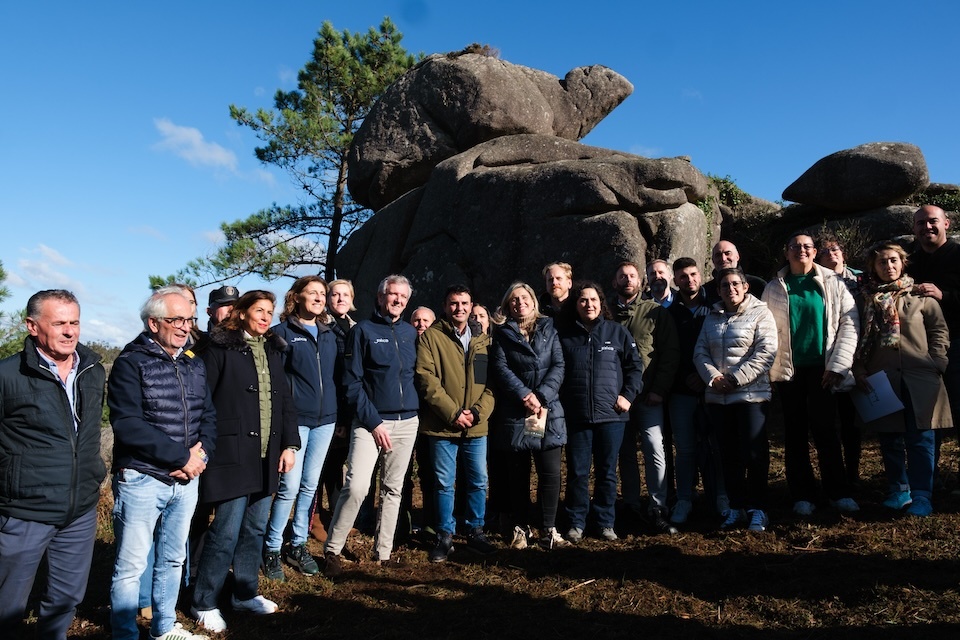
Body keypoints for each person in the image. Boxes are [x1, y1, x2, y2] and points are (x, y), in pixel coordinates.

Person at [108, 287, 217, 640]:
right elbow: (128, 425)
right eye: (176, 320)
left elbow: (209, 417)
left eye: (189, 319)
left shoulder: (193, 362)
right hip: (143, 478)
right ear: (154, 323)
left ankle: (164, 628)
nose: (186, 327)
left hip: (186, 480)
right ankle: (124, 633)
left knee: (173, 560)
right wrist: (180, 457)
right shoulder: (130, 363)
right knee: (131, 566)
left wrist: (199, 456)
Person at [0, 290, 106, 640]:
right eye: (58, 322)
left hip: (79, 510)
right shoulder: (8, 375)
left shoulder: (92, 370)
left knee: (65, 600)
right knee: (7, 605)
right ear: (32, 326)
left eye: (74, 322)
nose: (69, 331)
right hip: (24, 510)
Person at [191, 291, 299, 634]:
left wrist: (290, 444)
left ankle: (244, 593)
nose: (266, 317)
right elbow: (202, 400)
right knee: (225, 530)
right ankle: (204, 601)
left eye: (270, 311)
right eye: (259, 311)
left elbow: (284, 401)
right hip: (230, 454)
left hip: (267, 455)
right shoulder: (219, 348)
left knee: (254, 529)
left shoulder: (273, 350)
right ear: (242, 313)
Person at [322, 275, 420, 576]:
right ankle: (332, 550)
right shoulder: (362, 331)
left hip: (408, 421)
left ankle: (384, 552)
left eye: (403, 297)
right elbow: (352, 383)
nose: (398, 301)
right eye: (393, 295)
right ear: (380, 297)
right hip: (370, 422)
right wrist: (374, 421)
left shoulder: (410, 332)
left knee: (393, 488)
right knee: (357, 486)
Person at [762, 233, 860, 515]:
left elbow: (849, 323)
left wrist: (838, 365)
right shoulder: (774, 287)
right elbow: (767, 330)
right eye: (795, 246)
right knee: (794, 433)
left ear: (815, 252)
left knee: (826, 430)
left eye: (806, 246)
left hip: (824, 369)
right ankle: (802, 494)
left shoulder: (834, 282)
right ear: (786, 251)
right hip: (789, 369)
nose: (800, 250)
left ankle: (837, 491)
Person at [853, 243, 952, 516]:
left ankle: (922, 495)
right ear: (873, 267)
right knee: (890, 439)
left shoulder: (922, 297)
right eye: (882, 262)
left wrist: (936, 363)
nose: (889, 266)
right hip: (881, 379)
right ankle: (898, 490)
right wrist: (859, 369)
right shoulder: (863, 300)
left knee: (922, 438)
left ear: (903, 263)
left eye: (894, 261)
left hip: (920, 379)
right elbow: (856, 337)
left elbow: (939, 333)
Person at [262, 277, 338, 580]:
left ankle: (297, 544)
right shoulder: (281, 334)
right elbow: (276, 384)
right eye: (313, 293)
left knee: (309, 485)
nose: (319, 298)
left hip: (326, 421)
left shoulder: (330, 334)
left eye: (323, 293)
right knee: (289, 487)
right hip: (296, 423)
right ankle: (271, 547)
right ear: (298, 297)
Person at [557, 282, 643, 544]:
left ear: (601, 303)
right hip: (577, 415)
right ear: (576, 304)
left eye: (593, 300)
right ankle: (576, 523)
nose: (589, 305)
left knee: (607, 472)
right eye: (583, 300)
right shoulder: (565, 335)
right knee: (577, 472)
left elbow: (635, 368)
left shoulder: (617, 333)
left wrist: (628, 396)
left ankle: (605, 522)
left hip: (612, 415)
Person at [415, 285, 497, 561]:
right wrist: (453, 413)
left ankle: (475, 531)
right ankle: (444, 534)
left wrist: (477, 412)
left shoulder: (483, 340)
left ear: (471, 305)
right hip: (442, 425)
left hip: (477, 425)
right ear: (445, 305)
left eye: (464, 303)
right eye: (453, 303)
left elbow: (492, 383)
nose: (459, 308)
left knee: (478, 480)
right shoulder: (431, 338)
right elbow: (426, 379)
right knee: (443, 483)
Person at [694, 268, 778, 532]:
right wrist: (714, 378)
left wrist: (735, 379)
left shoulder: (761, 313)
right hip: (718, 397)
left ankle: (758, 509)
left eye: (735, 284)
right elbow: (700, 352)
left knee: (754, 454)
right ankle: (736, 506)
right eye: (724, 285)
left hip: (751, 396)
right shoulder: (712, 317)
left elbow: (766, 352)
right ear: (718, 290)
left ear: (745, 287)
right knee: (728, 455)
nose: (730, 289)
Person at [490, 282, 566, 549]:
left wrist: (541, 396)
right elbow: (500, 368)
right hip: (515, 411)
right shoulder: (502, 334)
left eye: (524, 297)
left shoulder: (549, 328)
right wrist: (525, 395)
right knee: (518, 475)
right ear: (507, 305)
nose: (519, 302)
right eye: (513, 299)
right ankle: (521, 528)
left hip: (547, 410)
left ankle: (548, 529)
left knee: (550, 473)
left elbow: (558, 364)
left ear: (533, 301)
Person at [612, 261, 679, 534]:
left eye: (632, 276)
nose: (628, 280)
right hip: (617, 399)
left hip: (649, 395)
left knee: (654, 447)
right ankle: (630, 505)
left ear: (640, 282)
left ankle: (657, 506)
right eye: (622, 276)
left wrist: (659, 389)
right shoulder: (607, 315)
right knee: (624, 452)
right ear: (614, 282)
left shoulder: (654, 312)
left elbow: (669, 353)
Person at [667, 257, 726, 524]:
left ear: (700, 276)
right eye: (682, 276)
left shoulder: (716, 308)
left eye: (693, 275)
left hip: (714, 388)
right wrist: (686, 377)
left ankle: (723, 497)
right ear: (675, 280)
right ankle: (684, 500)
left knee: (718, 445)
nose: (689, 280)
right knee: (686, 448)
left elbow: (723, 347)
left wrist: (705, 378)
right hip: (680, 391)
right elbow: (666, 355)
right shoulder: (668, 314)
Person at [907, 205, 960, 478]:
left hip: (958, 344)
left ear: (947, 224)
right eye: (920, 223)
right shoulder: (910, 262)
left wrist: (944, 295)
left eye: (933, 221)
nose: (927, 227)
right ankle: (929, 477)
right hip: (920, 348)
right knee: (927, 414)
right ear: (914, 228)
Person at [817, 233, 864, 485]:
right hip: (826, 357)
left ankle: (854, 473)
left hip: (858, 355)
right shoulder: (817, 281)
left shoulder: (861, 279)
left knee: (852, 421)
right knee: (829, 421)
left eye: (835, 249)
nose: (831, 254)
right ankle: (835, 477)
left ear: (843, 253)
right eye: (825, 251)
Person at [315, 279, 358, 540]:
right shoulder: (322, 327)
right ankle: (315, 517)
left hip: (348, 406)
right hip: (328, 406)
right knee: (321, 466)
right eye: (335, 294)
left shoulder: (355, 327)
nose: (340, 298)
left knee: (335, 465)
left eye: (345, 294)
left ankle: (334, 516)